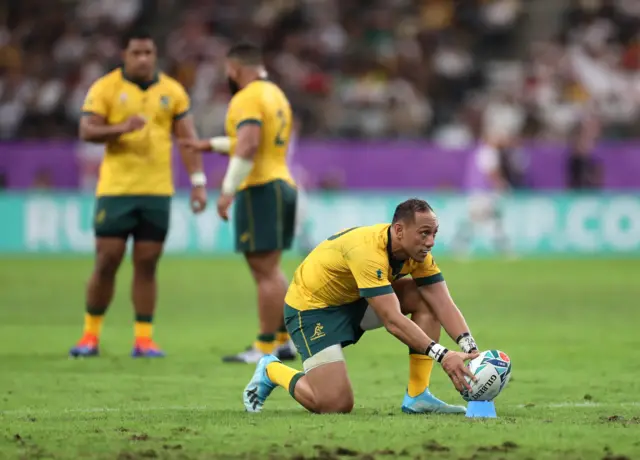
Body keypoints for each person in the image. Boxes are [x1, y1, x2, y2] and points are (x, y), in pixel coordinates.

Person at [243, 198, 480, 414]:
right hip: (312, 311)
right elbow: (392, 321)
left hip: (356, 300)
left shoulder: (417, 253)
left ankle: (418, 396)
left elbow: (442, 303)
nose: (431, 242)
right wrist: (444, 355)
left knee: (425, 298)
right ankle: (271, 369)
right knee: (334, 404)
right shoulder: (367, 252)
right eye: (424, 233)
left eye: (434, 234)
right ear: (399, 230)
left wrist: (471, 350)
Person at [69, 29, 207, 358]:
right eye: (137, 53)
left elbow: (188, 139)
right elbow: (87, 130)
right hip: (117, 191)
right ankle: (90, 336)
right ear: (125, 55)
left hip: (157, 191)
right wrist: (120, 128)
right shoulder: (106, 87)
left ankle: (144, 339)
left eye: (148, 53)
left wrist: (198, 181)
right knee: (107, 260)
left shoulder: (172, 91)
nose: (143, 58)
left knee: (147, 264)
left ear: (155, 55)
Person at [180, 42, 298, 363]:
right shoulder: (275, 95)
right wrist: (208, 144)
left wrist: (228, 189)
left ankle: (263, 347)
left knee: (264, 272)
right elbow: (251, 142)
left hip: (259, 187)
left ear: (233, 68)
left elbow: (247, 146)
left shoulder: (246, 97)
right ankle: (286, 340)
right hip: (281, 182)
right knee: (272, 270)